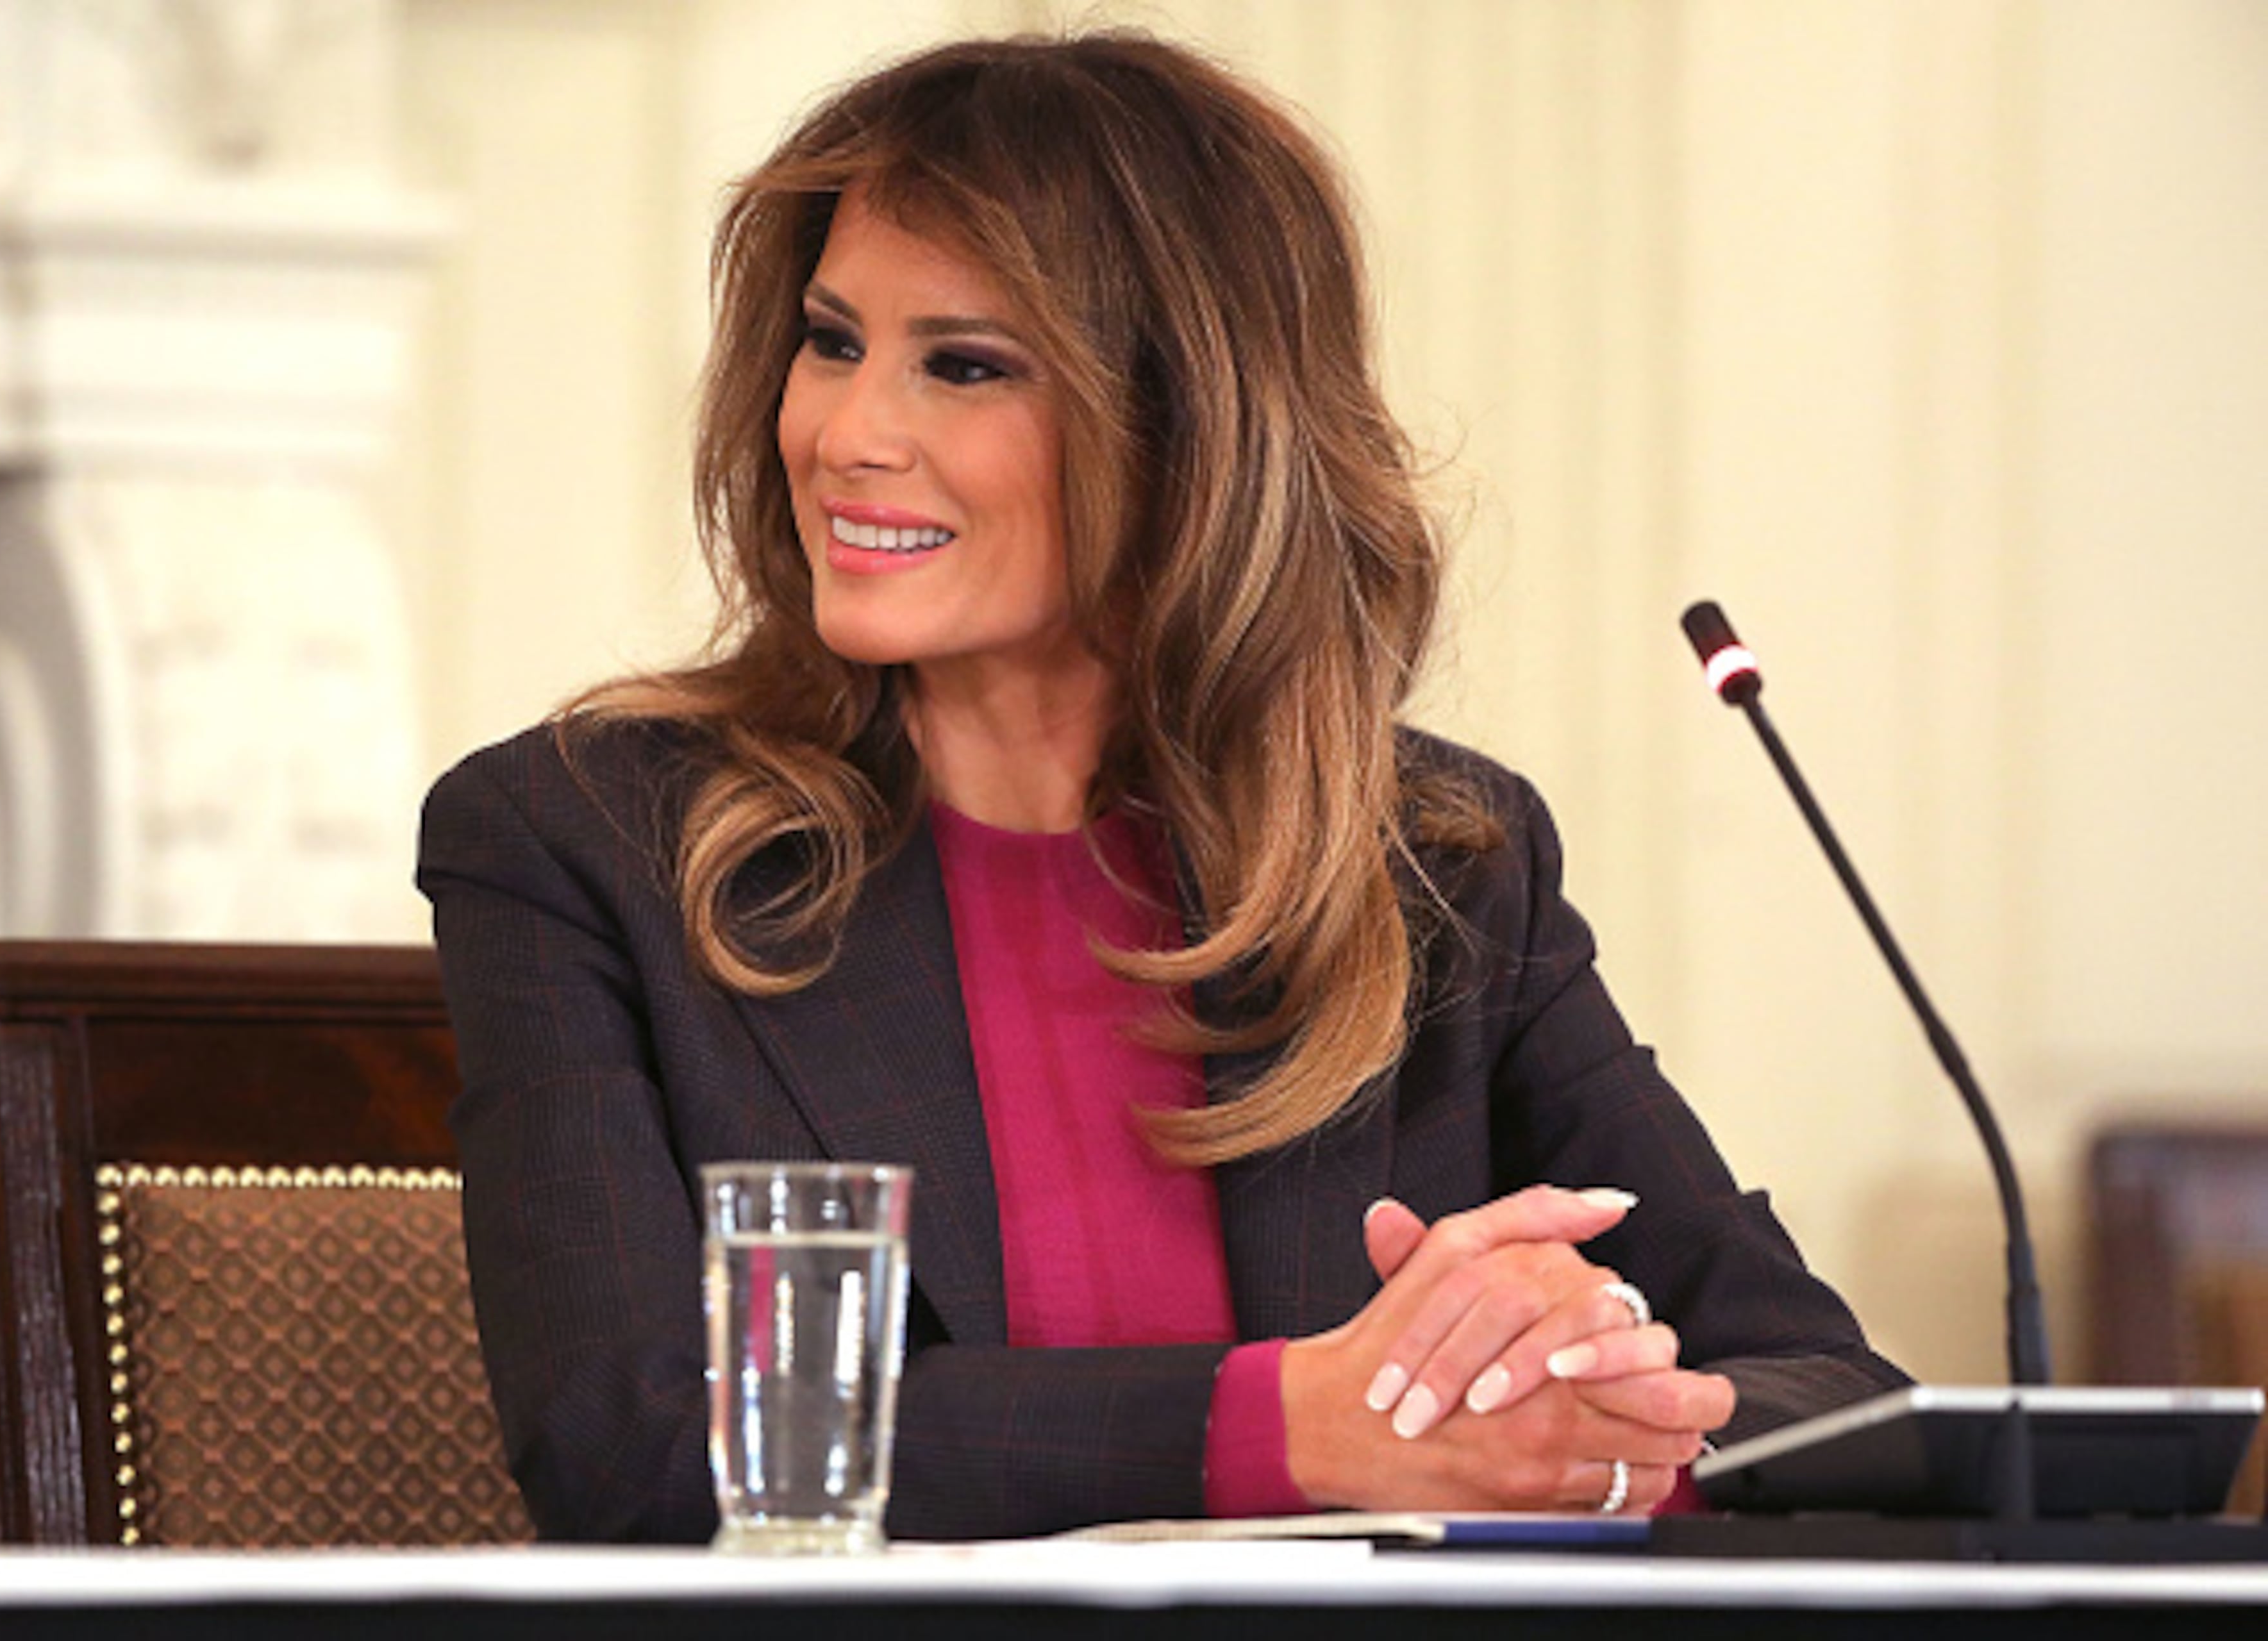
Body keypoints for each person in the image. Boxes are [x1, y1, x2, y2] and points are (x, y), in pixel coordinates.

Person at [418, 31, 1905, 1544]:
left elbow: (1834, 1393)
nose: (848, 434)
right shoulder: (581, 839)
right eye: (832, 339)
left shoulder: (1436, 864)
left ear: (1189, 424)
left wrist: (1590, 1403)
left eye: (966, 364)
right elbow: (638, 1452)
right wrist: (1296, 1423)